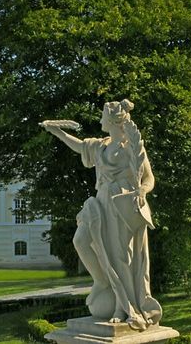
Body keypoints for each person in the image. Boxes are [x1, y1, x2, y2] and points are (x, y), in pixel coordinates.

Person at [42, 99, 161, 330]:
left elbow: (149, 178)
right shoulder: (101, 145)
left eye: (103, 117)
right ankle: (102, 281)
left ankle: (122, 307)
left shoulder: (132, 147)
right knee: (80, 240)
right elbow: (79, 146)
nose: (100, 120)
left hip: (122, 205)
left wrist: (142, 191)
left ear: (113, 121)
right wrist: (57, 132)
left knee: (121, 258)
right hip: (101, 203)